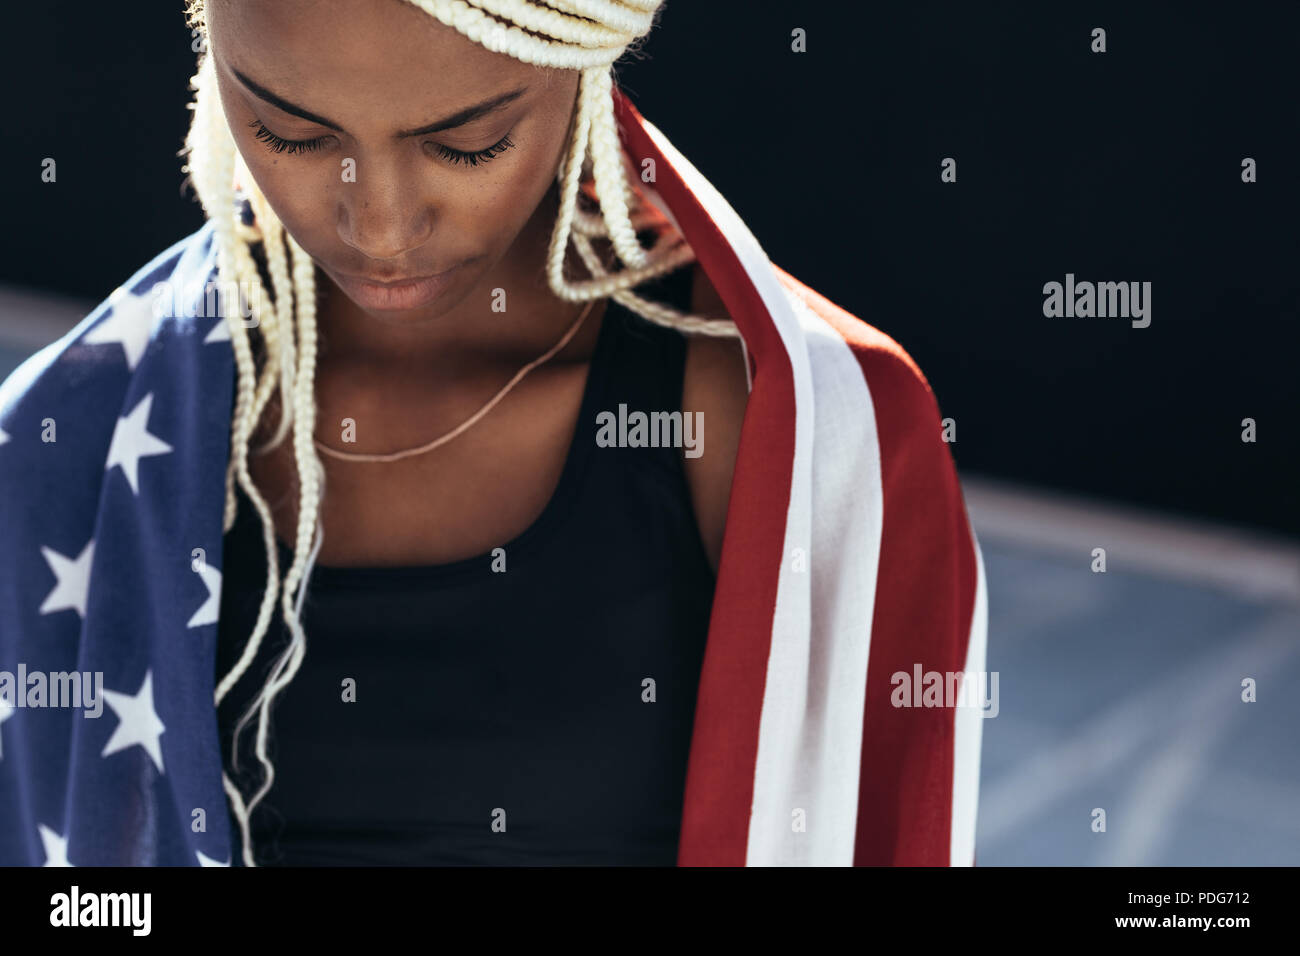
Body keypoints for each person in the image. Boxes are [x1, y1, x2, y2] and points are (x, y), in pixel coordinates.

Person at [0, 0, 988, 867]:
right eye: (288, 132)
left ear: (582, 57)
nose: (381, 227)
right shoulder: (64, 442)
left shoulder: (785, 424)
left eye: (465, 145)